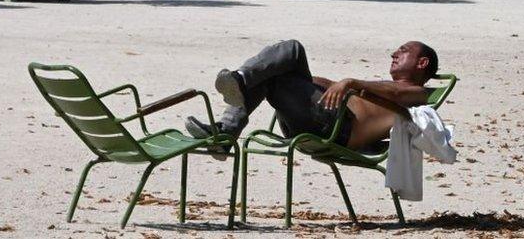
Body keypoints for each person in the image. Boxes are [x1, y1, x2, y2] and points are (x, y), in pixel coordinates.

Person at [185, 39, 439, 153]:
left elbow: (395, 92)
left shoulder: (418, 93)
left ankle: (231, 114)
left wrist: (349, 81)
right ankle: (234, 102)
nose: (394, 53)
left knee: (288, 55)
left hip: (335, 128)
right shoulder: (382, 89)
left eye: (403, 51)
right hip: (323, 119)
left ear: (422, 63)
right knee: (283, 61)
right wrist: (316, 83)